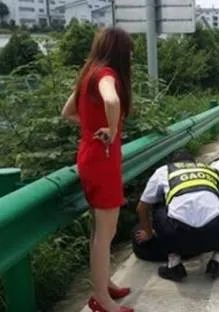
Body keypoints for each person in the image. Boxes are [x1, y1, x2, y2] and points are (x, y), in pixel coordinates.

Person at [62, 27, 134, 312]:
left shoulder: (89, 72)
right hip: (102, 158)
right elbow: (113, 100)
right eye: (127, 51)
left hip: (90, 154)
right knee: (105, 233)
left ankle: (104, 286)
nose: (129, 56)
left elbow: (66, 111)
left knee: (101, 230)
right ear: (118, 51)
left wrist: (93, 124)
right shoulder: (107, 75)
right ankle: (101, 299)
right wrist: (112, 129)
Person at [133, 151, 219, 282]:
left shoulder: (164, 171)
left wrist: (149, 234)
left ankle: (174, 264)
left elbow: (142, 208)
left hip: (177, 234)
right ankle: (217, 260)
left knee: (158, 208)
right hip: (214, 233)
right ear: (194, 163)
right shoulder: (209, 170)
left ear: (172, 163)